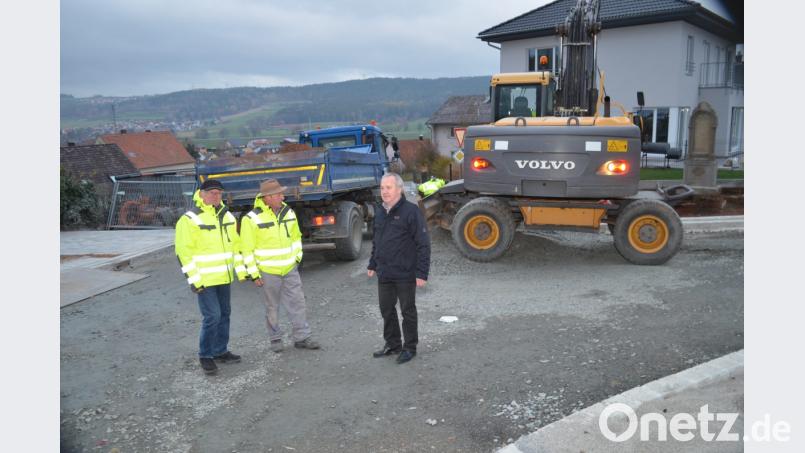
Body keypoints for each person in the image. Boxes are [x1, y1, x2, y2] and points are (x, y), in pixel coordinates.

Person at [175, 179, 247, 375]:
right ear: (201, 194)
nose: (216, 196)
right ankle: (205, 355)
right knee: (212, 317)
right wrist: (194, 280)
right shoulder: (190, 219)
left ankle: (220, 351)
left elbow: (236, 247)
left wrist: (241, 272)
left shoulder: (228, 217)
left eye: (218, 193)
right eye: (211, 193)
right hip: (204, 280)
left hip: (224, 277)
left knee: (225, 314)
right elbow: (183, 252)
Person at [240, 179, 320, 353]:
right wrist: (254, 274)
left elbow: (296, 237)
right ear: (267, 197)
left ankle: (302, 337)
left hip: (290, 268)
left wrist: (297, 258)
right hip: (268, 272)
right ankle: (275, 339)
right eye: (278, 194)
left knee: (298, 302)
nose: (282, 196)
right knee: (272, 307)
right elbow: (246, 249)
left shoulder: (288, 212)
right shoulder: (251, 218)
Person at [367, 173, 431, 364]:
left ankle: (410, 347)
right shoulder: (380, 212)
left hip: (405, 272)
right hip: (385, 272)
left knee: (407, 311)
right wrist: (372, 263)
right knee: (386, 310)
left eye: (389, 187)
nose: (384, 191)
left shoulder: (411, 212)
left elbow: (423, 243)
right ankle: (393, 344)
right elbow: (376, 241)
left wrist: (421, 273)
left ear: (399, 189)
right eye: (382, 188)